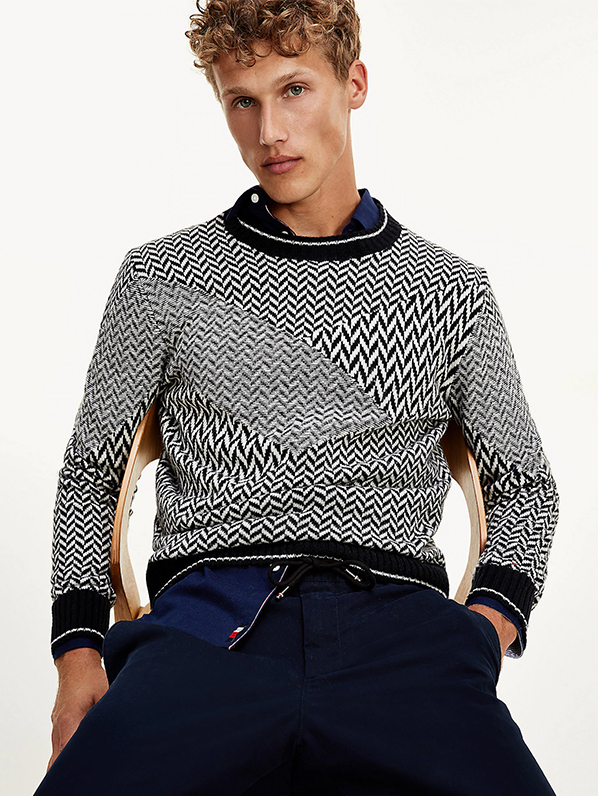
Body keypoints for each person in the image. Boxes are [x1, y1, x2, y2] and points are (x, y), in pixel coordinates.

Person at [35, 1, 560, 794]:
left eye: (294, 90)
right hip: (206, 631)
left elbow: (525, 486)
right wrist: (78, 657)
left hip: (403, 636)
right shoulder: (161, 278)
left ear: (355, 84)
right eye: (242, 101)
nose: (270, 131)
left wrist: (479, 634)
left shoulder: (451, 291)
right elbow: (90, 474)